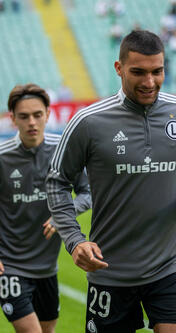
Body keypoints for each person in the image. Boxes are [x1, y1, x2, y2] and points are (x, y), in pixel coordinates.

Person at [46, 30, 176, 333]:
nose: (149, 82)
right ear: (119, 69)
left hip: (170, 265)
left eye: (157, 71)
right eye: (138, 72)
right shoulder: (89, 122)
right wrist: (74, 240)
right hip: (110, 271)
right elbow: (56, 181)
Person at [0, 83, 91, 333]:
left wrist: (63, 212)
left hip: (47, 267)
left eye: (37, 115)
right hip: (11, 266)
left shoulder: (62, 150)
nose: (32, 122)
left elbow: (88, 192)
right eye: (24, 116)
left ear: (48, 114)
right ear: (12, 119)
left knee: (47, 330)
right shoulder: (2, 157)